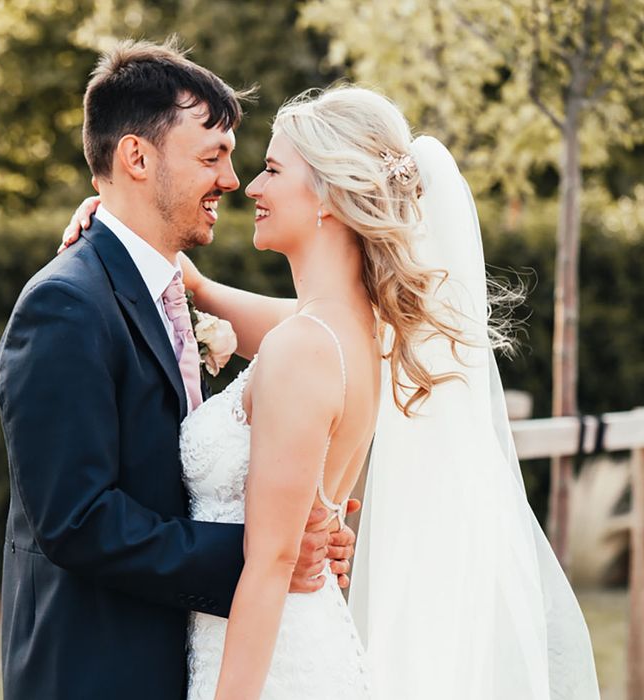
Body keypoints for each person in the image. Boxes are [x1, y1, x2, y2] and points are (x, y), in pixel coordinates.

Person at [64, 82, 601, 699]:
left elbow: (269, 567)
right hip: (302, 643)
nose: (251, 188)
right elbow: (218, 300)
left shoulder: (306, 348)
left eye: (270, 169)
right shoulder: (358, 333)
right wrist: (122, 224)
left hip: (268, 666)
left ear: (328, 196)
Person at [0, 39, 357, 700]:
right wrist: (261, 555)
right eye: (212, 156)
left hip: (189, 658)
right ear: (137, 156)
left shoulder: (172, 292)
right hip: (99, 673)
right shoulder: (65, 305)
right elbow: (77, 519)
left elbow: (333, 342)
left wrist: (307, 523)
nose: (232, 181)